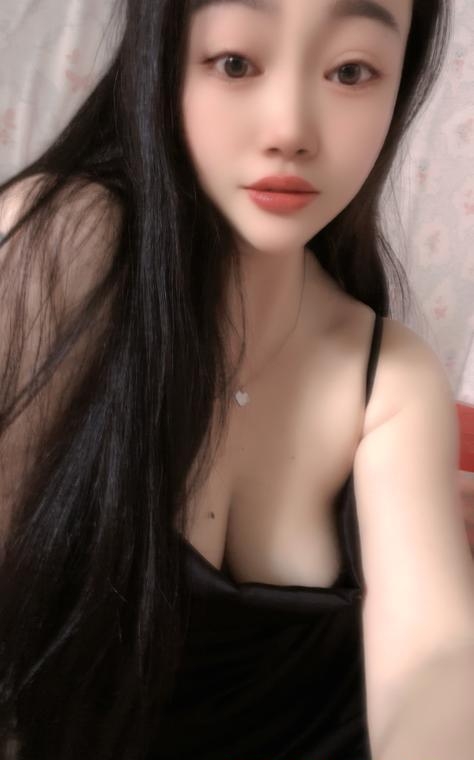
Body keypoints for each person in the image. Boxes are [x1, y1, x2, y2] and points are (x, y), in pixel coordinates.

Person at [0, 0, 473, 758]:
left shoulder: (391, 375)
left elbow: (436, 658)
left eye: (352, 72)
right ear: (162, 59)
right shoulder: (60, 248)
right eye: (235, 62)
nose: (291, 129)